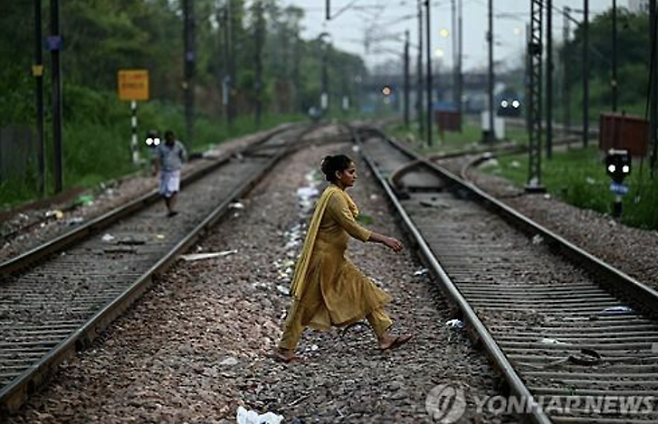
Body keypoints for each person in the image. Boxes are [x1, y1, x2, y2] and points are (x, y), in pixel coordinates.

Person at [275, 154, 412, 363]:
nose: (354, 176)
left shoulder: (337, 193)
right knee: (305, 304)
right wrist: (385, 239)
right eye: (351, 172)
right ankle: (285, 349)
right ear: (338, 174)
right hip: (322, 261)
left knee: (364, 289)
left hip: (335, 259)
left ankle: (384, 336)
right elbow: (353, 229)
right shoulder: (334, 198)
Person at [153, 130, 187, 217]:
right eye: (168, 139)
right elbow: (157, 158)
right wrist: (156, 169)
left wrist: (183, 162)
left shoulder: (179, 145)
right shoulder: (161, 147)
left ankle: (171, 209)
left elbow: (183, 156)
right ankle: (169, 208)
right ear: (166, 139)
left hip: (175, 170)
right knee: (164, 192)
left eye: (172, 139)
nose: (170, 140)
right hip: (165, 171)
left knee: (174, 190)